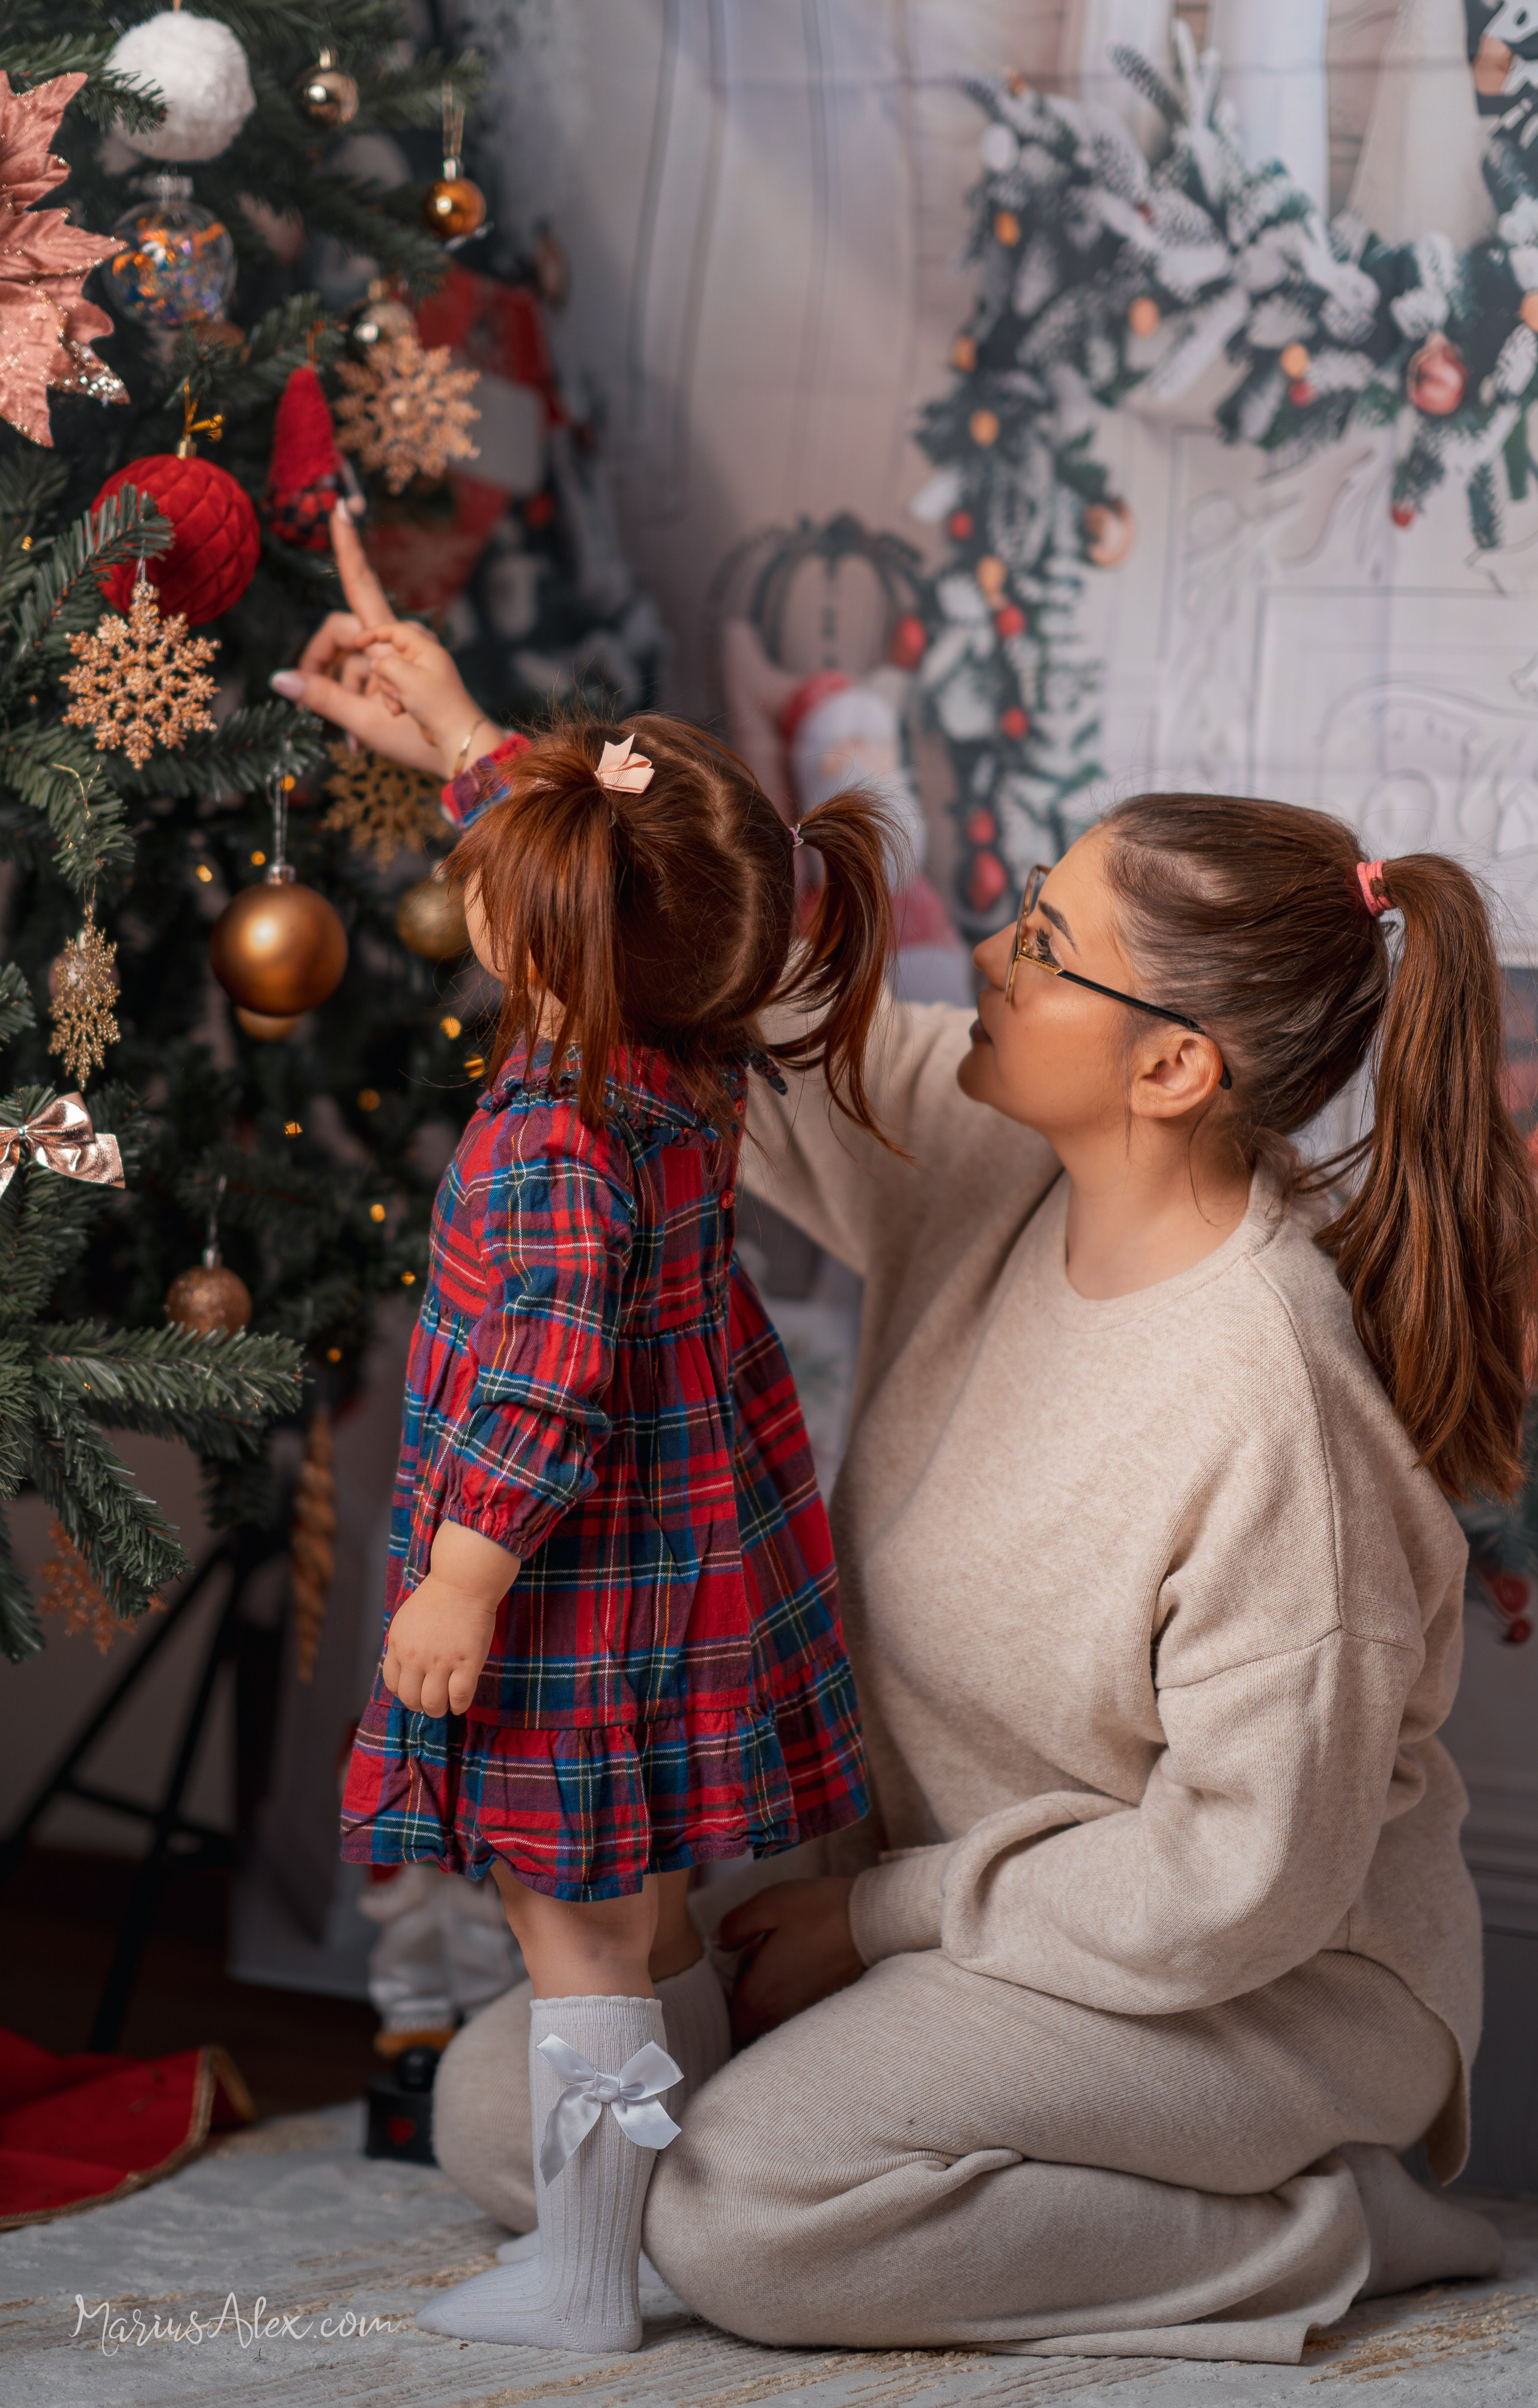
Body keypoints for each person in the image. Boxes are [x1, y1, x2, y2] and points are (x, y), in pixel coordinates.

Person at [280, 532, 1517, 2362]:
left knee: (745, 2212)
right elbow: (727, 979)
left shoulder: (1275, 1404)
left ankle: (1326, 2225)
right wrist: (477, 749)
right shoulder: (999, 1153)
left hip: (1256, 1979)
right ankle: (928, 2162)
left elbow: (1233, 1884)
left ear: (1172, 1067)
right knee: (506, 2105)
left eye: (1044, 944)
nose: (989, 958)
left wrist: (877, 1918)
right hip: (981, 1928)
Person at [280, 515, 892, 2354]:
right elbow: (591, 870)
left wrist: (461, 1584)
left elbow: (543, 1392)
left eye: (512, 887)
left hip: (573, 1585)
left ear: (551, 949)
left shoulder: (553, 1139)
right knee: (651, 1914)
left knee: (577, 1936)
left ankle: (587, 2268)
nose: (480, 894)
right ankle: (673, 2196)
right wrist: (457, 723)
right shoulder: (687, 1031)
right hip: (684, 1560)